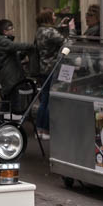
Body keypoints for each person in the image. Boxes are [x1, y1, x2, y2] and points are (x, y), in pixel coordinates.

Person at [33, 9, 69, 140]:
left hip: (43, 69)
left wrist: (60, 26)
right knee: (51, 100)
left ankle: (39, 129)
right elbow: (66, 42)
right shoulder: (51, 32)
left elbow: (52, 34)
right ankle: (47, 130)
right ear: (48, 18)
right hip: (53, 69)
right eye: (53, 15)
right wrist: (70, 29)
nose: (55, 17)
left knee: (44, 100)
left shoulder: (40, 31)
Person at [0, 20, 35, 112]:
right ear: (5, 31)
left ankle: (3, 121)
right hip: (9, 78)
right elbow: (15, 46)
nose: (13, 30)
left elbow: (15, 56)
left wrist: (24, 53)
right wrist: (31, 46)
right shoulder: (2, 41)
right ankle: (8, 122)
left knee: (8, 102)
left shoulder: (5, 42)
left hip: (11, 77)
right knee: (13, 103)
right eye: (11, 28)